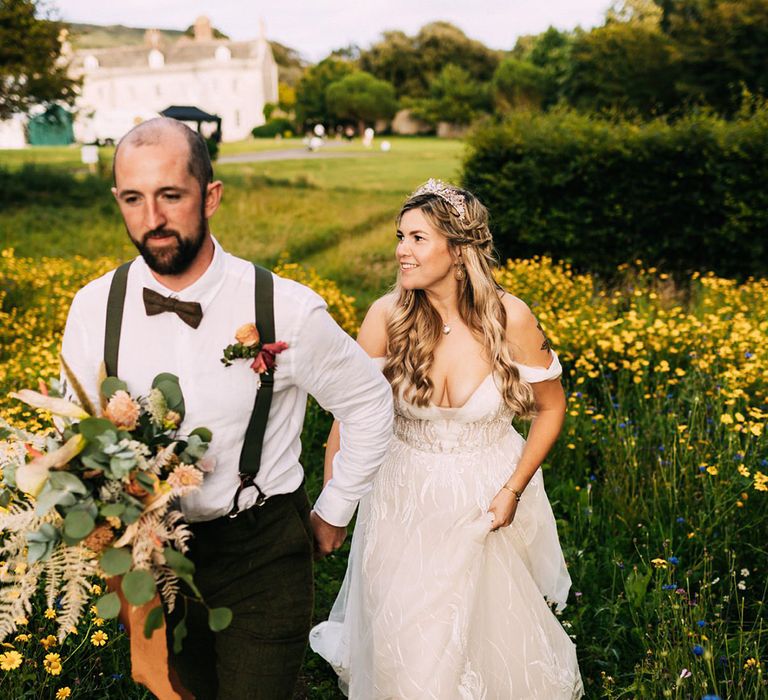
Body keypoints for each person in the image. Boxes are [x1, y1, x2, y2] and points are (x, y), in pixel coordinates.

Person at [59, 117, 394, 699]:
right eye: (134, 199)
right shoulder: (94, 308)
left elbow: (369, 402)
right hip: (154, 558)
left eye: (171, 196)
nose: (152, 219)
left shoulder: (285, 309)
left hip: (261, 549)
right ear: (117, 200)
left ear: (210, 196)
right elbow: (77, 429)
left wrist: (336, 508)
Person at [310, 179, 584, 698]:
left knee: (485, 637)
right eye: (400, 236)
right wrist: (334, 506)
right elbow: (347, 421)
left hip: (487, 498)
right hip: (401, 499)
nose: (400, 250)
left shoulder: (511, 317)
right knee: (409, 643)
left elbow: (551, 408)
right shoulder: (385, 317)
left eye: (417, 238)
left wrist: (513, 490)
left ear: (458, 251)